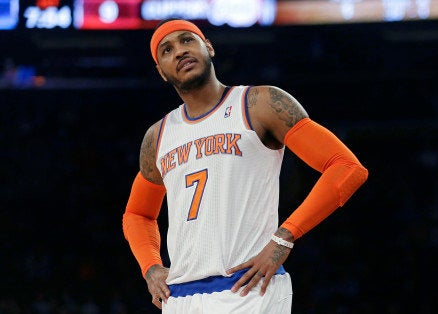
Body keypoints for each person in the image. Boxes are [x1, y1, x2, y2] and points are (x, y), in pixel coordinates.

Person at [121, 18, 368, 313]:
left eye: (188, 40)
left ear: (208, 47)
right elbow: (137, 214)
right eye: (167, 50)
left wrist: (285, 236)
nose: (179, 51)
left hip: (250, 287)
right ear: (161, 72)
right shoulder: (158, 136)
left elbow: (346, 167)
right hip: (181, 297)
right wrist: (150, 267)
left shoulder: (259, 104)